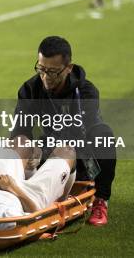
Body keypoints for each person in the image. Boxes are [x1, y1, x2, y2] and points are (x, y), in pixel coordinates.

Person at [11, 36, 116, 226]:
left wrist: (47, 150)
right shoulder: (30, 89)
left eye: (52, 72)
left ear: (68, 68)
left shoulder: (86, 92)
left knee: (103, 134)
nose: (45, 77)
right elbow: (19, 130)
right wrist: (29, 151)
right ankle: (12, 193)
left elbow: (79, 135)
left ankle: (101, 200)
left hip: (81, 156)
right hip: (49, 152)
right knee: (16, 146)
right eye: (41, 69)